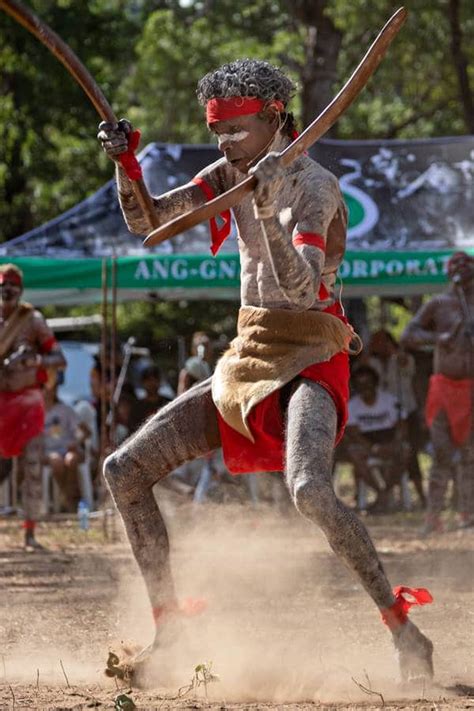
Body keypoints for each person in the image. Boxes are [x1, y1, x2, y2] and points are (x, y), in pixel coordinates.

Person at [98, 59, 433, 681]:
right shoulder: (226, 173)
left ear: (275, 118)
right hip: (250, 351)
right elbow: (149, 221)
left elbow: (305, 293)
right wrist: (126, 167)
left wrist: (269, 201)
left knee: (308, 490)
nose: (225, 143)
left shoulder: (314, 185)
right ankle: (168, 634)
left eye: (237, 130)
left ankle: (403, 630)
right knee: (124, 469)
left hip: (312, 348)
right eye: (218, 131)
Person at [401, 251, 474, 533]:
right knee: (441, 453)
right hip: (445, 388)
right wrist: (437, 339)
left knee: (470, 455)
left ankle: (467, 513)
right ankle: (433, 517)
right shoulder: (439, 304)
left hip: (471, 389)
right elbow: (408, 336)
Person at [0, 263, 66, 549]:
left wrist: (34, 361)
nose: (8, 290)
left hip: (28, 404)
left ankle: (29, 533)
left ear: (21, 289)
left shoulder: (33, 320)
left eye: (13, 285)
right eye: (4, 284)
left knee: (32, 467)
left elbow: (59, 358)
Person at [367, 329, 426, 507]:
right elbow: (361, 371)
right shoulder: (373, 362)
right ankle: (386, 495)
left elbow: (406, 363)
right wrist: (370, 350)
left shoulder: (401, 359)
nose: (377, 345)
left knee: (411, 451)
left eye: (380, 342)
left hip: (406, 411)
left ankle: (422, 495)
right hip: (384, 415)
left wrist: (393, 349)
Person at [345, 365, 410, 512]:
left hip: (389, 440)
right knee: (355, 454)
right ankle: (383, 494)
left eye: (368, 383)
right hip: (365, 444)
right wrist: (374, 448)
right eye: (360, 385)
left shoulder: (390, 400)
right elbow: (353, 434)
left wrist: (393, 444)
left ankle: (384, 493)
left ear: (375, 383)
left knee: (405, 451)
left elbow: (402, 427)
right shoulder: (352, 406)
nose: (365, 387)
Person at [43, 380, 86, 512]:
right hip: (48, 452)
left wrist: (76, 441)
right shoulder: (36, 412)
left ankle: (67, 499)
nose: (49, 391)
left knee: (71, 460)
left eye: (52, 388)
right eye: (46, 388)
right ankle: (71, 499)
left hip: (68, 449)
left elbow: (81, 432)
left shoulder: (65, 410)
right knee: (56, 462)